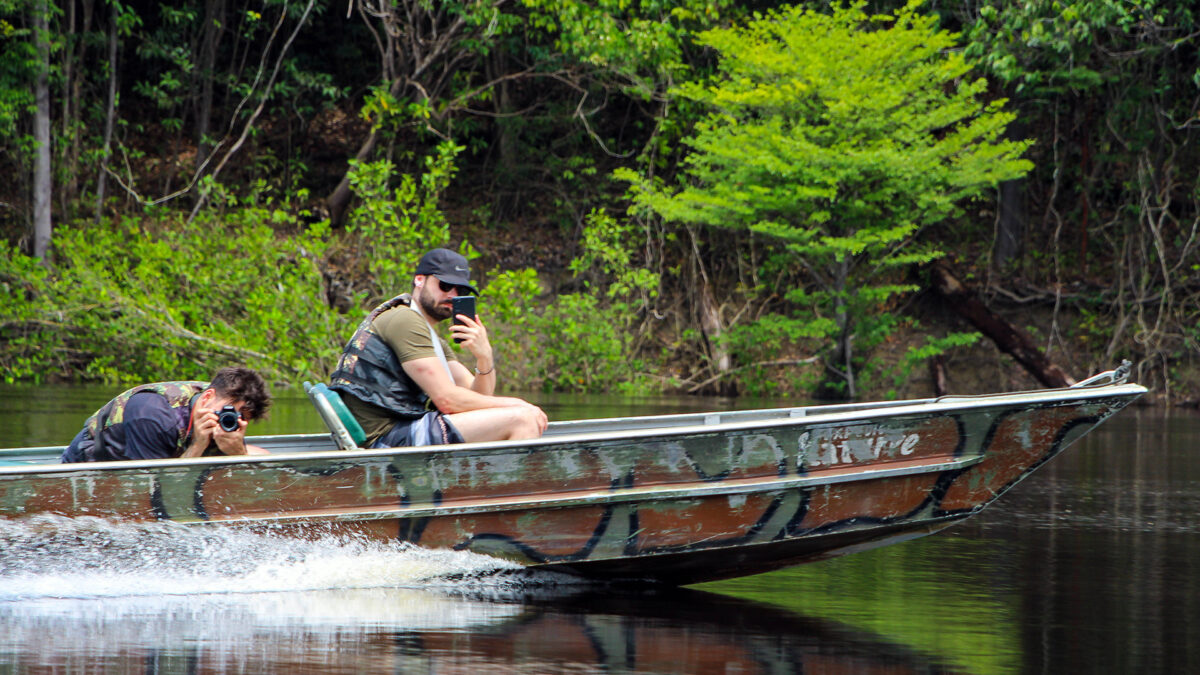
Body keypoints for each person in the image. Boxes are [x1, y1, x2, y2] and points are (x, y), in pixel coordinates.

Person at [330, 248, 547, 448]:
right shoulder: (404, 320)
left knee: (519, 415)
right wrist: (519, 405)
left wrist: (485, 357)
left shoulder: (432, 338)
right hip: (385, 440)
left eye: (459, 289)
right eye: (444, 285)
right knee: (522, 419)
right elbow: (448, 401)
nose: (452, 295)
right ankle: (510, 490)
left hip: (401, 431)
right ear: (419, 280)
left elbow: (478, 398)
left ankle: (491, 487)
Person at [60, 366, 272, 463]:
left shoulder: (221, 416)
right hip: (93, 462)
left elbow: (265, 458)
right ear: (207, 397)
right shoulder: (152, 414)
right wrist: (197, 446)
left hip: (162, 458)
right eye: (230, 412)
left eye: (242, 418)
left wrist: (238, 454)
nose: (231, 420)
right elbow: (151, 492)